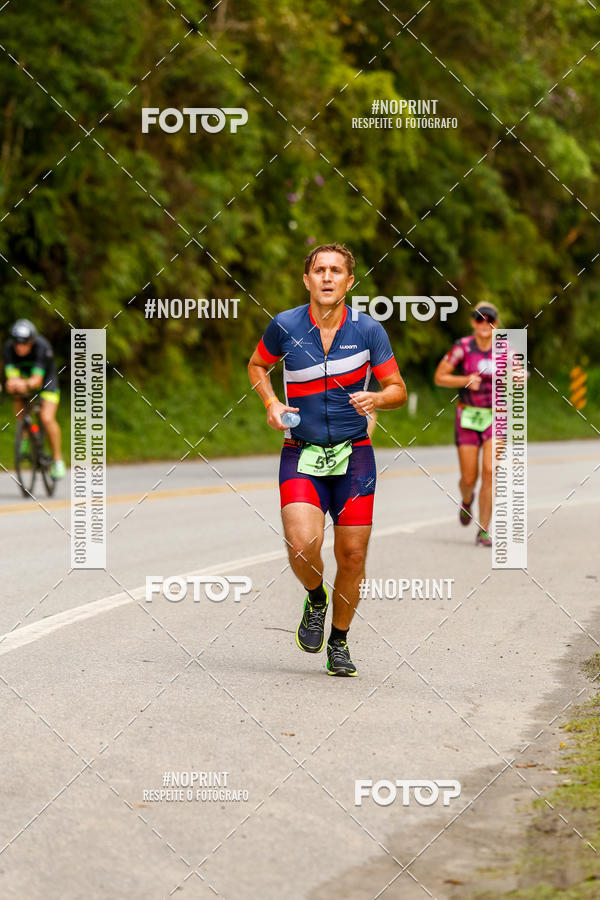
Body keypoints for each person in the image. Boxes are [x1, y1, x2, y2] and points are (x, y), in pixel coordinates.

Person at [247, 243, 406, 676]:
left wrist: (377, 397)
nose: (328, 277)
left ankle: (339, 640)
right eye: (320, 270)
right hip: (301, 452)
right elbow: (257, 365)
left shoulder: (369, 330)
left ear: (350, 282)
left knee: (352, 555)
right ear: (307, 279)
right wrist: (270, 403)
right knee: (302, 546)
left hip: (354, 456)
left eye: (337, 271)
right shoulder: (285, 325)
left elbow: (398, 389)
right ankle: (316, 597)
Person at [433, 302, 499, 546]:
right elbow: (440, 377)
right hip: (468, 417)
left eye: (489, 319)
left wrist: (519, 376)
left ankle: (483, 530)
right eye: (479, 318)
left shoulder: (503, 349)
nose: (484, 323)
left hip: (495, 417)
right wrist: (465, 379)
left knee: (490, 472)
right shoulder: (462, 347)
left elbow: (518, 370)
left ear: (496, 324)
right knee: (469, 478)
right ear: (473, 322)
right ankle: (467, 499)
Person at [3, 319, 66, 479]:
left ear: (31, 341)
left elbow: (37, 380)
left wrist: (23, 383)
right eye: (17, 342)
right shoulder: (8, 349)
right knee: (17, 393)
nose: (19, 346)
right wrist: (12, 383)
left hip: (46, 381)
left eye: (24, 343)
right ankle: (24, 434)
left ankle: (57, 459)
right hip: (26, 378)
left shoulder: (42, 347)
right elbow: (11, 377)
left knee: (46, 418)